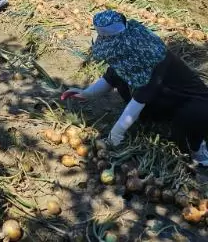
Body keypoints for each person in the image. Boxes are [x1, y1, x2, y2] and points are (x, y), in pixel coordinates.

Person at [61, 10, 208, 166]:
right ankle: (154, 120)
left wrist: (115, 136)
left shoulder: (154, 58)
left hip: (194, 102)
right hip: (165, 97)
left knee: (188, 126)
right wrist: (87, 93)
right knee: (124, 82)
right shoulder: (127, 49)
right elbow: (112, 77)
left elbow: (138, 101)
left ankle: (198, 150)